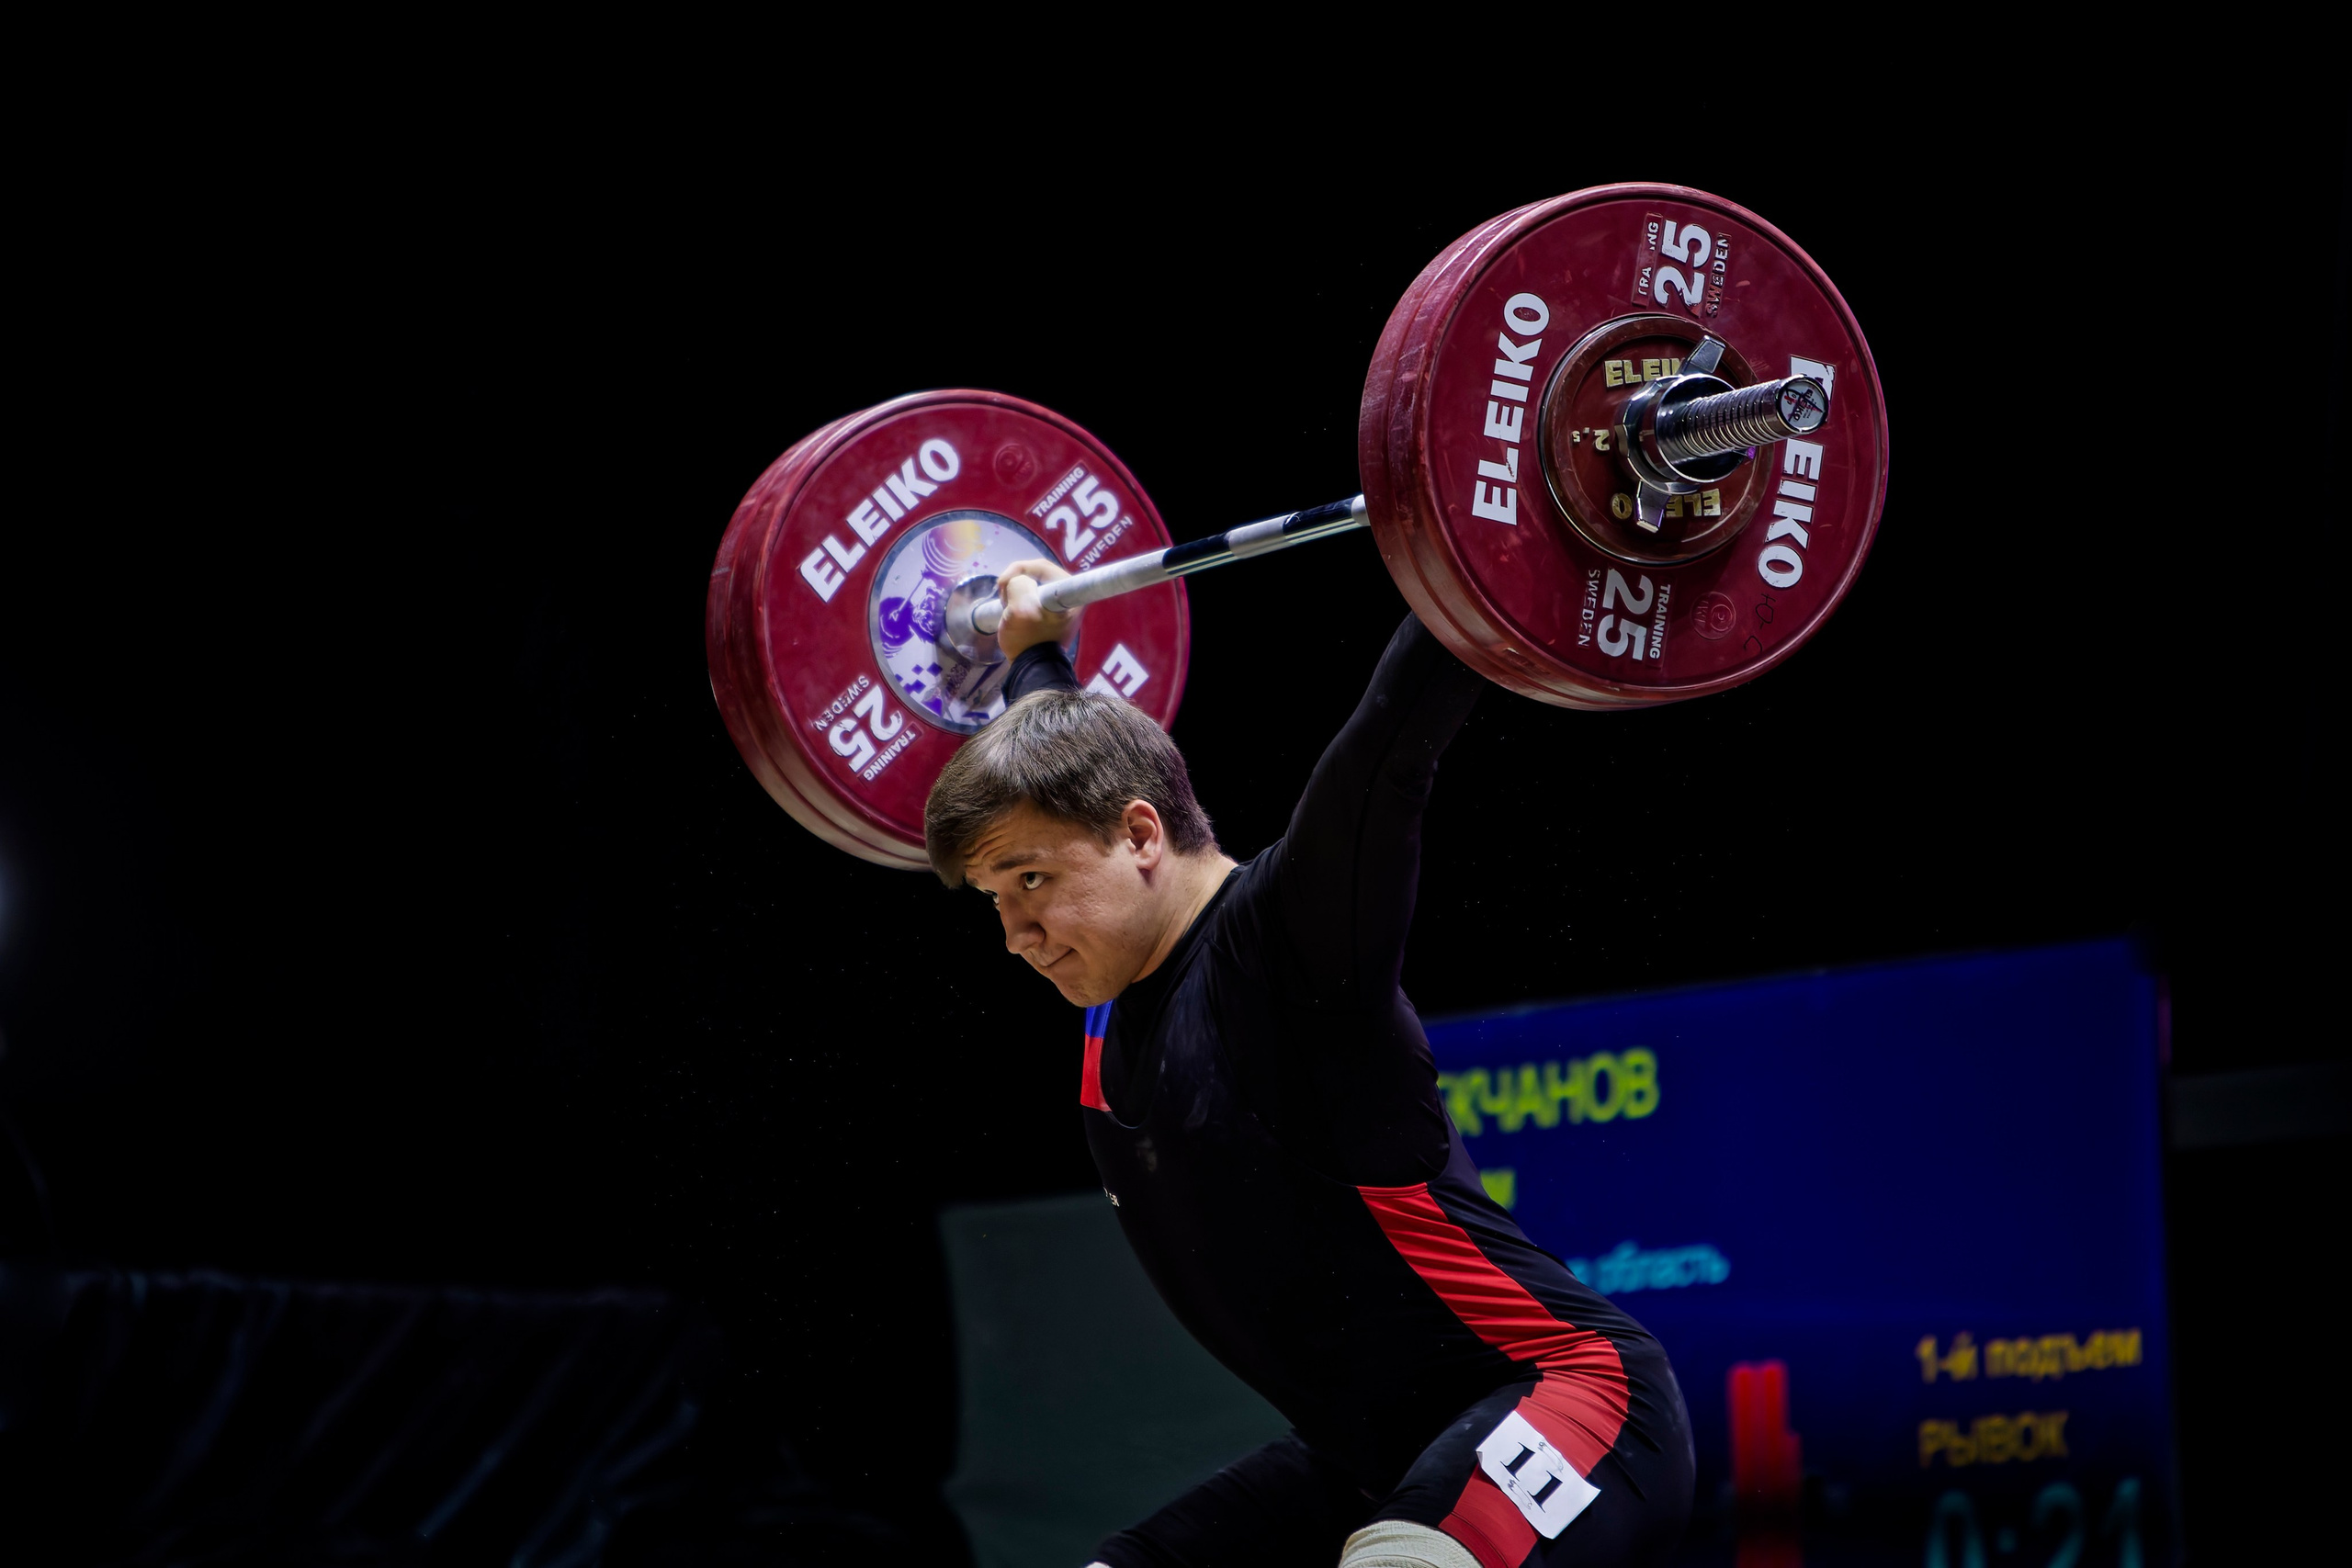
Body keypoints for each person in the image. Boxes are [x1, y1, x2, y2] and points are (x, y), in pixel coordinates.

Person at [924, 559, 1695, 1568]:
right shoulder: (1110, 976)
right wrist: (1033, 654)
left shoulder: (1287, 948)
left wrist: (1489, 546)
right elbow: (1062, 762)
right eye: (995, 899)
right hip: (1361, 1459)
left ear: (1141, 836)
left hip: (1564, 1396)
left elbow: (1393, 738)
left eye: (1031, 882)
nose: (1018, 933)